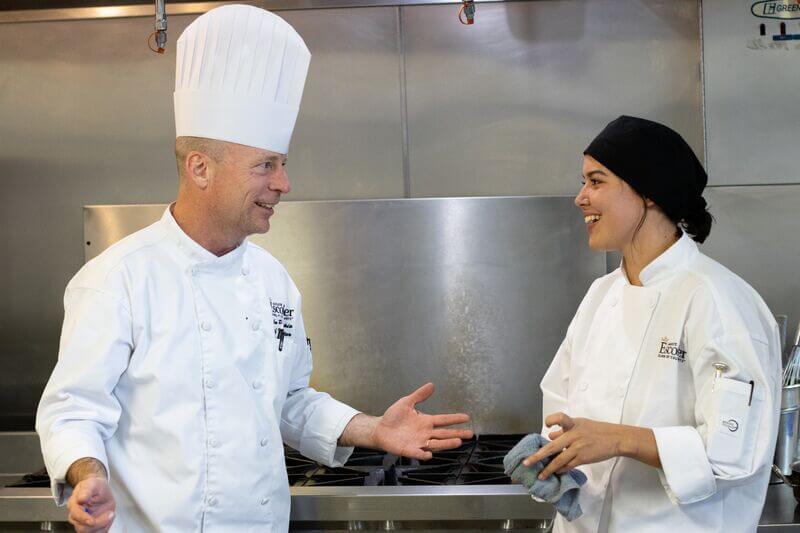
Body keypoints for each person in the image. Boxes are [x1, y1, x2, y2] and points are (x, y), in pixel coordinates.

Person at [35, 5, 472, 532]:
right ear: (200, 168)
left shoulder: (272, 281)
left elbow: (289, 401)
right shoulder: (117, 280)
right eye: (266, 164)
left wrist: (373, 429)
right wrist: (88, 473)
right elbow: (73, 410)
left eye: (281, 163)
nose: (284, 183)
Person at [524, 115, 781, 532]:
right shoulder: (600, 296)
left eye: (596, 181)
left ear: (648, 193)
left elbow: (734, 453)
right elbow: (560, 410)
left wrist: (621, 438)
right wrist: (548, 462)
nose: (580, 198)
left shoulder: (718, 300)